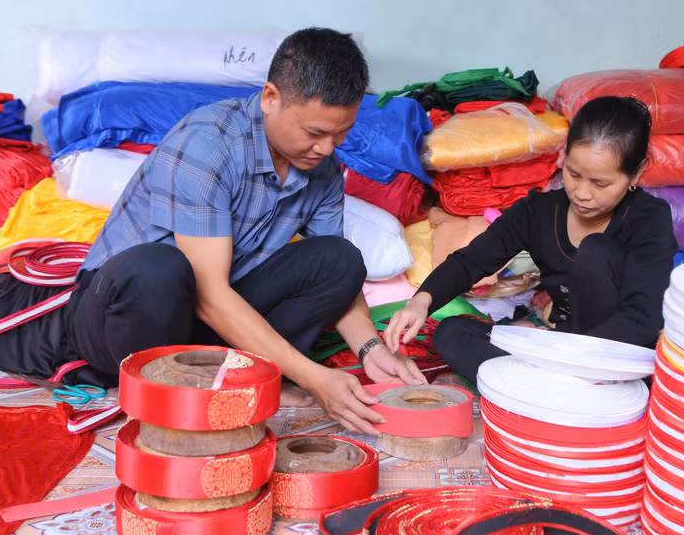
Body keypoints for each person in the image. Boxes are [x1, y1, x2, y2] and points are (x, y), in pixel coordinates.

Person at [64, 27, 425, 434]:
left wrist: (371, 349)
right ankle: (175, 393)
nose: (327, 148)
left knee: (339, 260)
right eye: (315, 132)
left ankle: (238, 379)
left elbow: (337, 280)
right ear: (271, 98)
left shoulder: (321, 169)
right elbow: (209, 294)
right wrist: (313, 376)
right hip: (122, 317)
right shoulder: (208, 144)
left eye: (340, 133)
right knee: (160, 268)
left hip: (207, 319)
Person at [383, 96, 678, 384]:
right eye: (574, 174)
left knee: (595, 251)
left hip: (616, 358)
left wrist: (568, 354)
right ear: (564, 155)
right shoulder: (539, 211)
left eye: (601, 183)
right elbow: (471, 261)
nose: (583, 193)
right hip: (561, 350)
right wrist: (421, 301)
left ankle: (542, 386)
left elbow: (645, 317)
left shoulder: (648, 219)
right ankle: (551, 386)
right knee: (451, 333)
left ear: (635, 174)